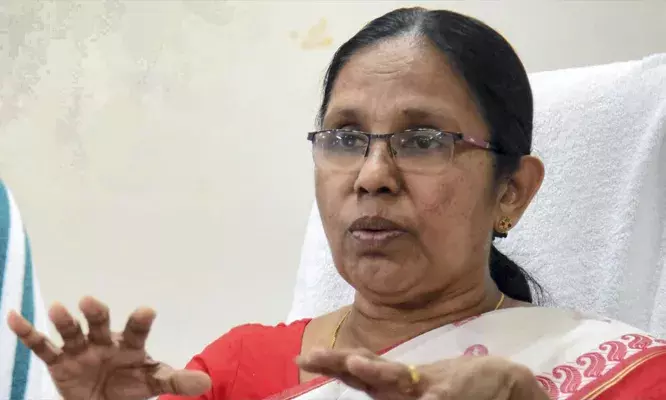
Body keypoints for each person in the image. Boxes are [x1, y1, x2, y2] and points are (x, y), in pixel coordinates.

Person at [6, 7, 666, 400]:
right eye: (346, 138)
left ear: (512, 191)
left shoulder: (622, 374)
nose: (373, 176)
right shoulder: (237, 369)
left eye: (423, 140)